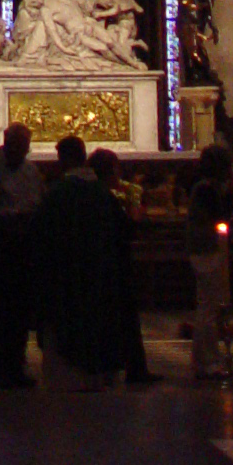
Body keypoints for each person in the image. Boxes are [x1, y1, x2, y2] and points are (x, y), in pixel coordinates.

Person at [32, 135, 134, 389]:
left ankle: (67, 377)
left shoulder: (56, 194)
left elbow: (41, 234)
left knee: (68, 324)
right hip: (99, 271)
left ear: (64, 159)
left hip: (65, 274)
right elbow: (121, 233)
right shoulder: (103, 194)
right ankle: (98, 373)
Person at [0, 122, 43, 386]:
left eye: (24, 148)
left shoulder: (31, 170)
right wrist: (12, 216)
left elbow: (38, 200)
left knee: (20, 310)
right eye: (16, 147)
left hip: (23, 247)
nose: (20, 152)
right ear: (6, 143)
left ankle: (16, 363)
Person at [90, 148, 156, 385]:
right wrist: (135, 216)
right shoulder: (105, 196)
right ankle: (130, 368)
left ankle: (119, 366)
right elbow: (125, 228)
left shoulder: (95, 194)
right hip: (115, 260)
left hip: (103, 261)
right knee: (124, 315)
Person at [186, 142, 233, 383]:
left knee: (206, 306)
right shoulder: (207, 189)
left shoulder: (201, 187)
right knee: (209, 308)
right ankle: (209, 361)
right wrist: (230, 193)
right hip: (207, 249)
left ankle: (202, 360)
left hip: (202, 247)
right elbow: (221, 215)